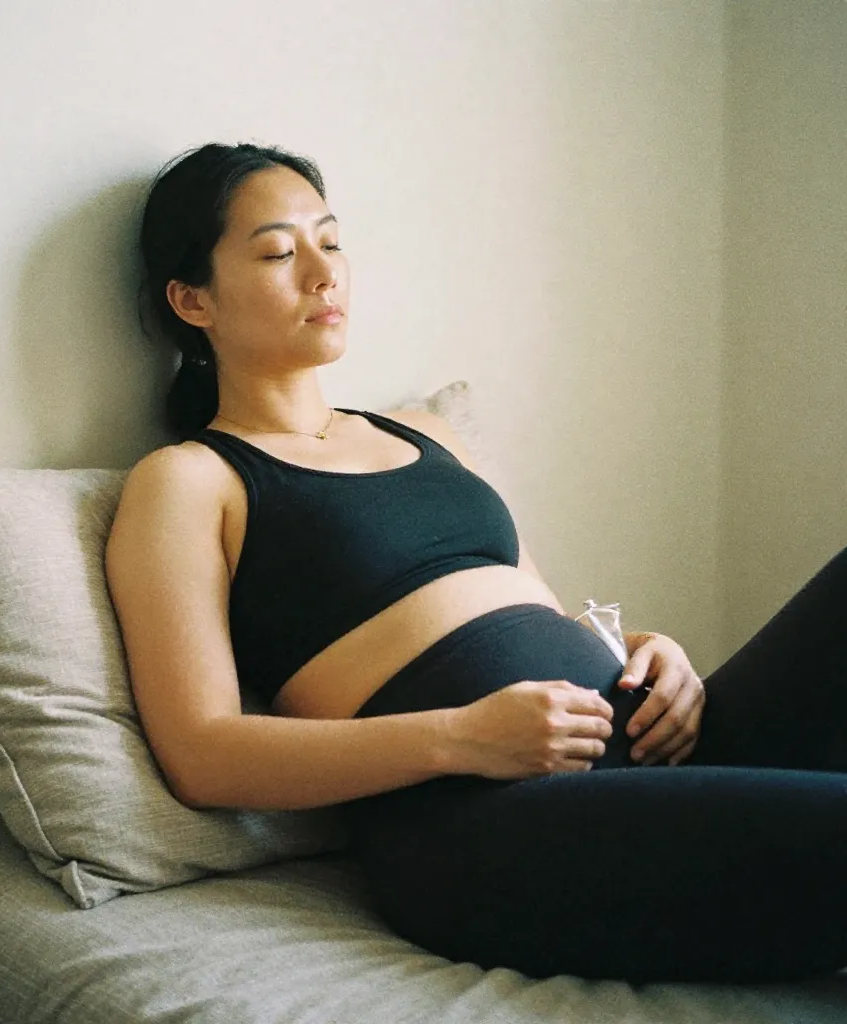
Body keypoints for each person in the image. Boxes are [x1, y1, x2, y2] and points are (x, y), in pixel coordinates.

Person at [105, 141, 847, 985]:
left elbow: (545, 620)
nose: (324, 273)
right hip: (485, 825)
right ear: (191, 299)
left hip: (638, 753)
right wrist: (462, 739)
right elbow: (202, 755)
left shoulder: (428, 435)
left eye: (332, 241)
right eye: (278, 252)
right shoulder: (192, 481)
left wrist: (650, 650)